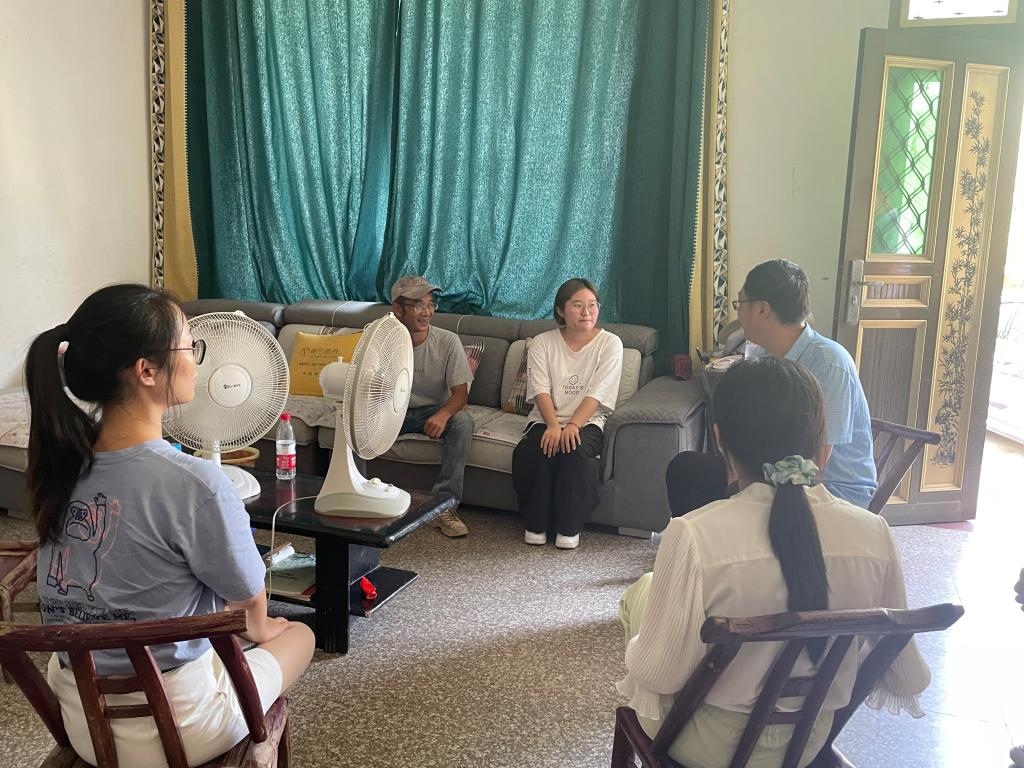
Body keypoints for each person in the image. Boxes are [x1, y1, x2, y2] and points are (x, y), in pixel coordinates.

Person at [25, 284, 314, 768]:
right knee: (299, 636)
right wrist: (264, 629)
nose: (197, 363)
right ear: (146, 370)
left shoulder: (59, 469)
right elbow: (248, 601)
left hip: (84, 723)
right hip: (177, 728)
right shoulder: (198, 483)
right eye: (189, 347)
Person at [618, 357, 929, 768]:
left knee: (642, 591)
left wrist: (638, 637)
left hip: (706, 746)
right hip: (807, 742)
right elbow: (908, 678)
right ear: (821, 445)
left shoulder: (693, 533)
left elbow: (661, 676)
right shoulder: (874, 533)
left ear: (720, 440)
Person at [666, 259, 877, 514]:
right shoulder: (765, 355)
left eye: (740, 304)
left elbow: (820, 458)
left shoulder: (829, 364)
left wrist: (750, 488)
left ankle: (733, 535)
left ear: (762, 309)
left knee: (725, 497)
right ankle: (695, 538)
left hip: (830, 488)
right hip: (771, 469)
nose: (738, 315)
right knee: (686, 470)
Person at [512, 278, 623, 550]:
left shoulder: (610, 344)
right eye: (577, 305)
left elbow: (598, 392)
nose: (587, 312)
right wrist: (553, 425)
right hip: (545, 419)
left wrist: (573, 425)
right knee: (533, 451)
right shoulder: (542, 343)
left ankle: (569, 527)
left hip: (588, 422)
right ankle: (536, 524)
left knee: (574, 451)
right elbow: (540, 388)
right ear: (561, 310)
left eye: (592, 305)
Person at [390, 275, 474, 537]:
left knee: (463, 421)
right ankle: (361, 496)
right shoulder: (382, 340)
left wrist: (443, 414)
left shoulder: (447, 341)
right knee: (349, 419)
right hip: (390, 410)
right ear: (398, 309)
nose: (427, 312)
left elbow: (460, 394)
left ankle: (442, 507)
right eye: (418, 305)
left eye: (430, 304)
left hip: (430, 411)